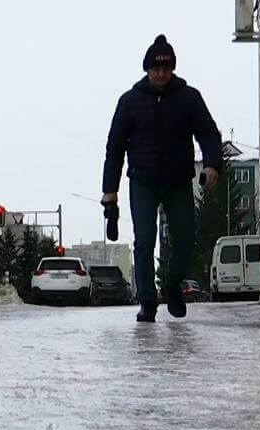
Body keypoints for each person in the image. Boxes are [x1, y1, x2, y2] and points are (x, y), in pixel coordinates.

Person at [101, 35, 223, 322]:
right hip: (142, 180)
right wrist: (110, 191)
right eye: (156, 68)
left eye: (166, 68)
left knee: (184, 236)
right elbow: (115, 147)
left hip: (178, 180)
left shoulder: (189, 97)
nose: (160, 73)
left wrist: (212, 164)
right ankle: (147, 302)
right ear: (147, 69)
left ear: (173, 69)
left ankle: (171, 284)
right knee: (144, 239)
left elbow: (208, 132)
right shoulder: (130, 101)